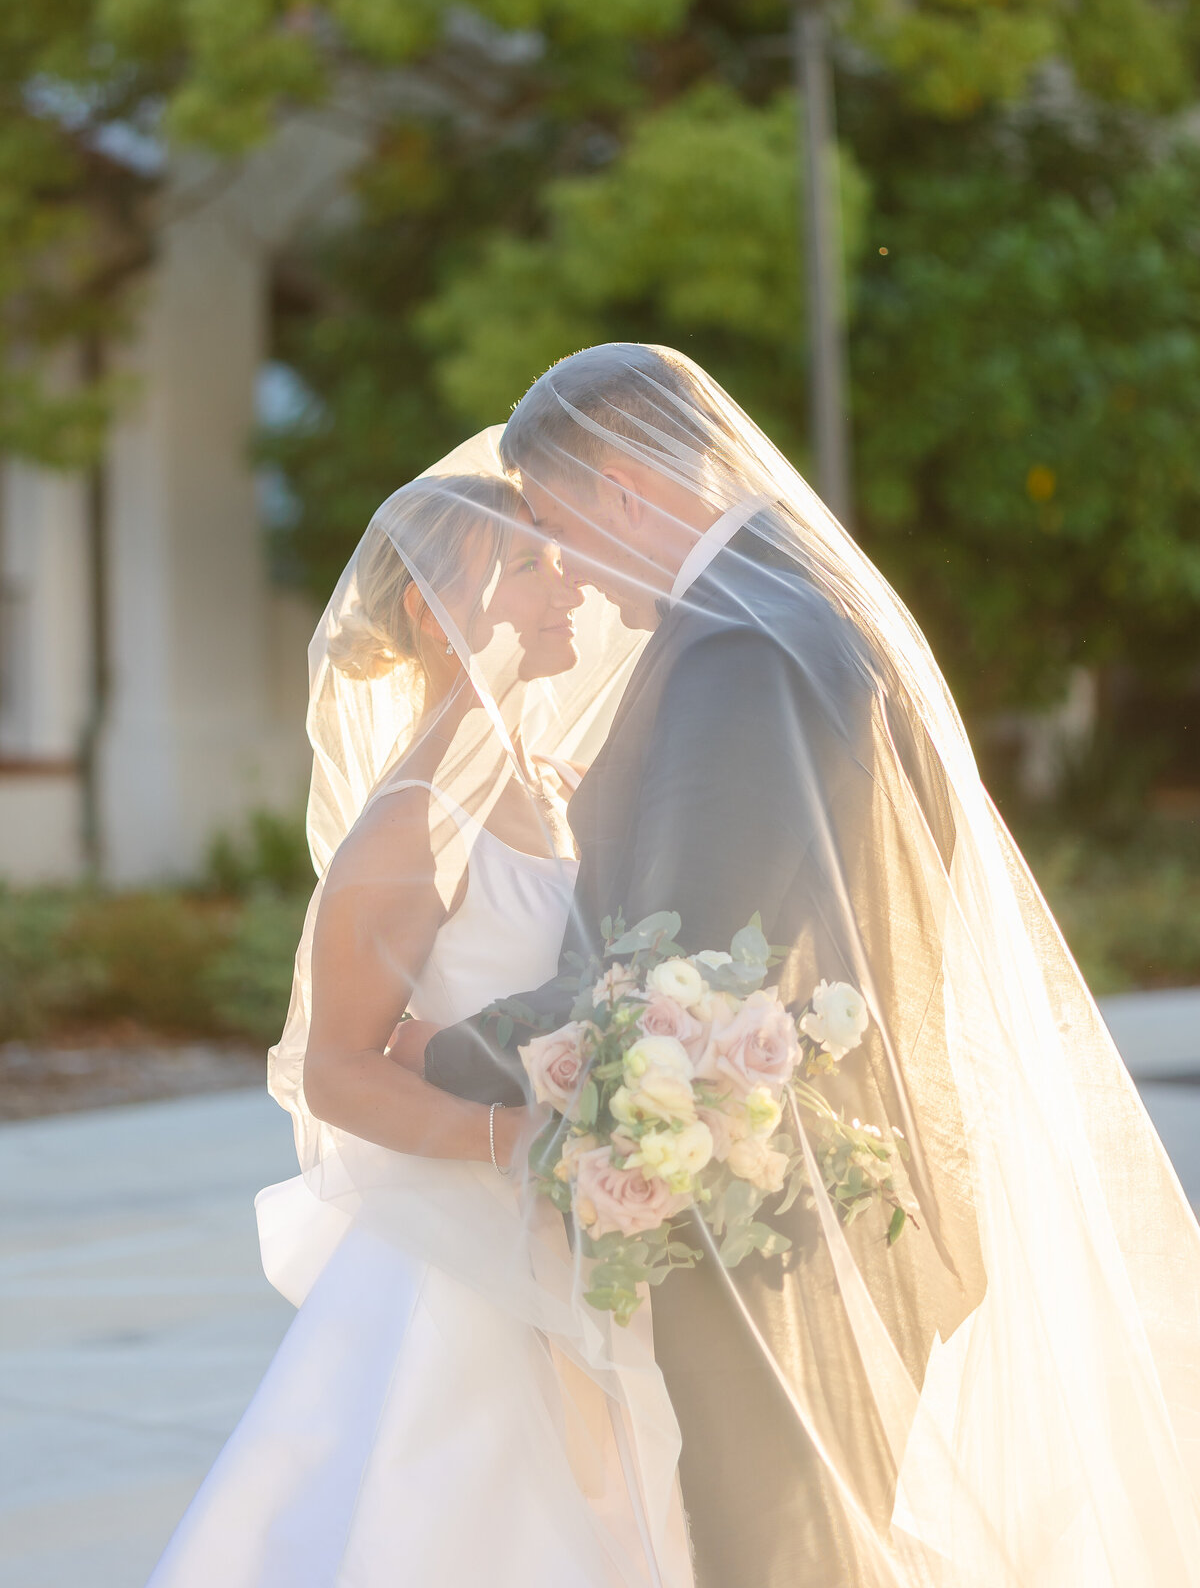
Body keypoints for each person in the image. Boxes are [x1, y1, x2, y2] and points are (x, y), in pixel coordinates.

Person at [398, 343, 1200, 1588]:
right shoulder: (789, 609)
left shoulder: (744, 648)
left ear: (622, 482)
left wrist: (436, 1060)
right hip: (823, 1188)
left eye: (562, 523)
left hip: (786, 1220)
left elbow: (688, 962)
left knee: (779, 1552)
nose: (591, 591)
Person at [145, 453, 674, 1588]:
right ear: (443, 616)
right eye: (532, 567)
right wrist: (517, 1145)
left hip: (573, 1239)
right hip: (463, 1262)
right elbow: (336, 1067)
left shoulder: (551, 777)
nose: (570, 584)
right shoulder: (410, 824)